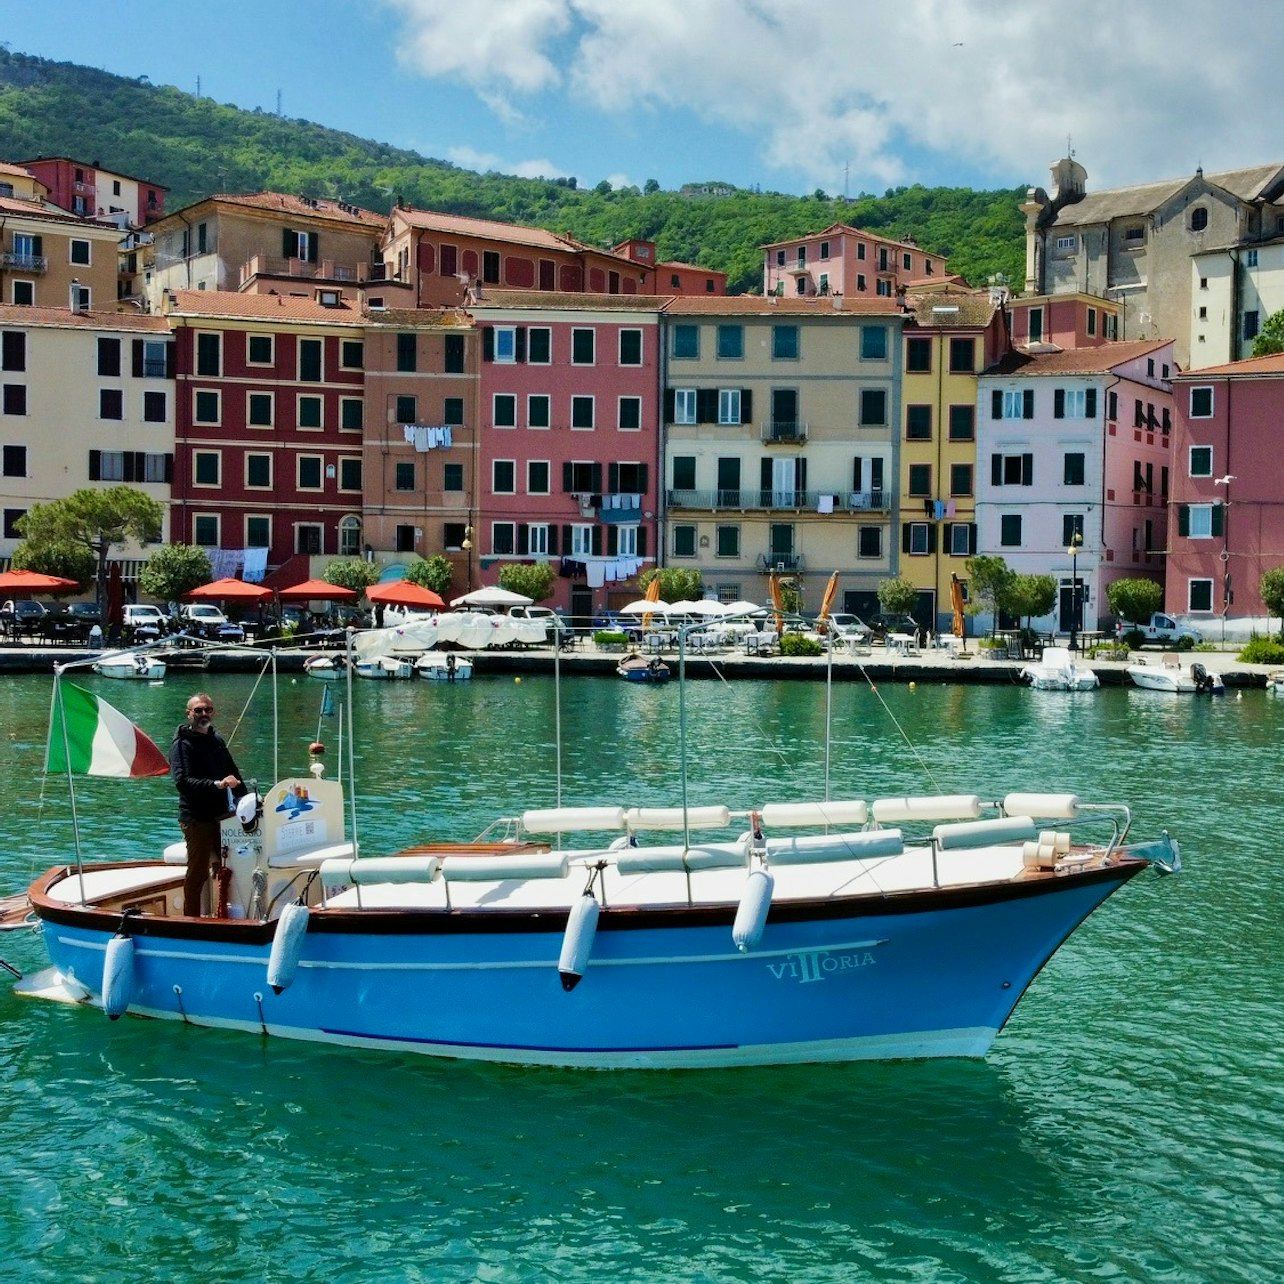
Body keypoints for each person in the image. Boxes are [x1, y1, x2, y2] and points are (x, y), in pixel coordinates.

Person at [170, 692, 244, 917]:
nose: (204, 714)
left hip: (223, 818)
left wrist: (249, 801)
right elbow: (182, 782)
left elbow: (234, 775)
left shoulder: (216, 740)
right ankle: (191, 920)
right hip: (196, 820)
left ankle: (223, 915)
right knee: (198, 873)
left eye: (208, 710)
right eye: (198, 710)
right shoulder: (181, 745)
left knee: (230, 867)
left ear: (213, 712)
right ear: (189, 713)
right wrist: (217, 785)